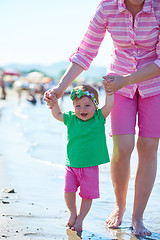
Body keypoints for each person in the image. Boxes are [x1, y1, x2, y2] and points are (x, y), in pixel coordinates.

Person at [44, 0, 160, 237]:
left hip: (154, 85)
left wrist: (126, 80)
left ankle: (138, 218)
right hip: (117, 88)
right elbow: (85, 52)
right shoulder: (107, 8)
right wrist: (60, 87)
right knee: (123, 146)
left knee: (148, 147)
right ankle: (120, 205)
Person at [44, 84, 114, 232]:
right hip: (71, 164)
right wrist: (54, 104)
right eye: (78, 106)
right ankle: (72, 213)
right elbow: (57, 115)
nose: (82, 109)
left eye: (87, 105)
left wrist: (109, 92)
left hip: (90, 166)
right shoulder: (71, 118)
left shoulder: (98, 117)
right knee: (68, 191)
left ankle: (81, 219)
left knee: (87, 195)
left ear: (95, 105)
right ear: (73, 106)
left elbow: (109, 105)